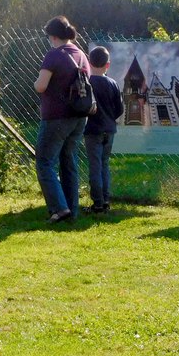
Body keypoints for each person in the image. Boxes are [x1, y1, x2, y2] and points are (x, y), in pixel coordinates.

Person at [34, 15, 90, 223]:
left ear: (53, 36)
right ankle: (71, 209)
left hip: (56, 117)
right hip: (78, 116)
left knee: (45, 162)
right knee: (69, 161)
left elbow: (41, 86)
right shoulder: (81, 55)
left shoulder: (54, 55)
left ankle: (58, 208)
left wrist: (35, 83)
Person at [83, 46, 124, 214]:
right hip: (109, 129)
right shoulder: (112, 83)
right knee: (104, 164)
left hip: (93, 130)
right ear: (108, 65)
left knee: (95, 165)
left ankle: (97, 203)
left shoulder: (88, 83)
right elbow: (119, 109)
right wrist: (110, 118)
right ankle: (106, 200)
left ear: (89, 63)